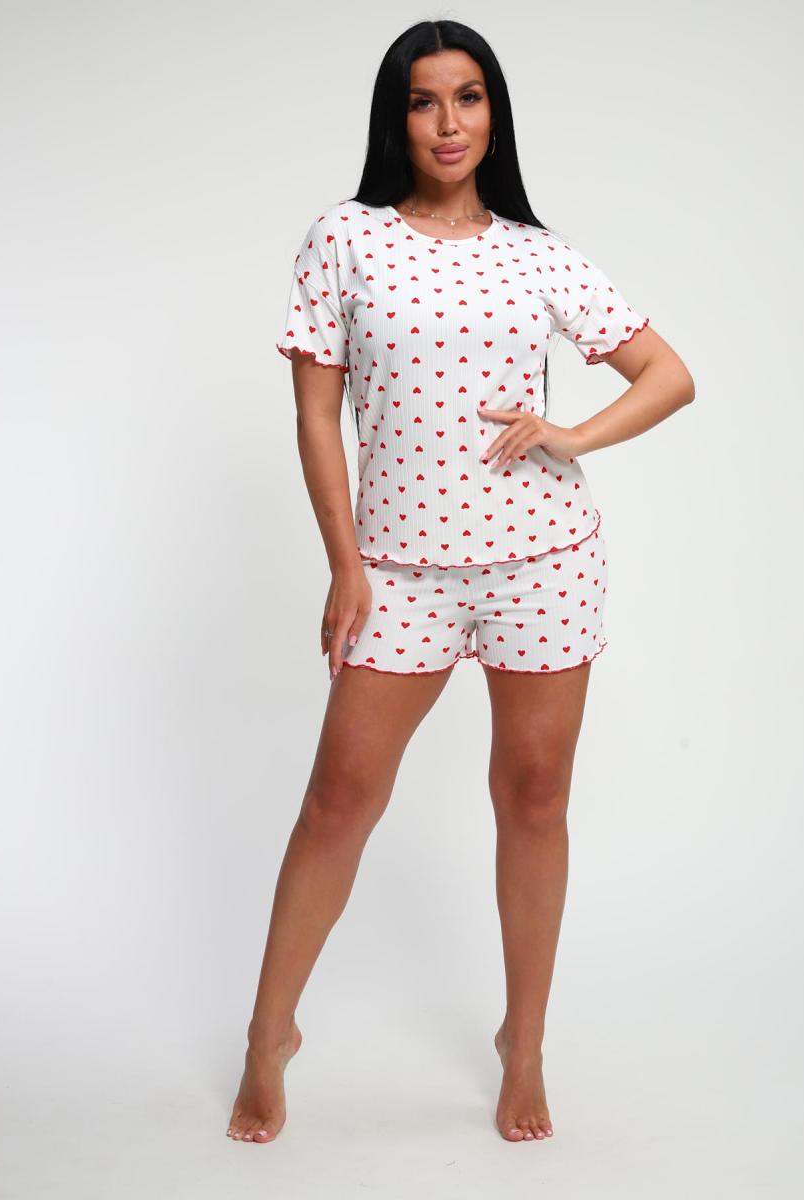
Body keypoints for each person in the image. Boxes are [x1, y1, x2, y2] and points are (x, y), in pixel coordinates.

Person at [227, 18, 694, 1146]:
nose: (448, 123)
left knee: (533, 799)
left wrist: (570, 435)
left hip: (543, 560)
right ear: (396, 118)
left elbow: (667, 375)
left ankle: (521, 1043)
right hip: (398, 569)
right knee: (339, 801)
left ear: (494, 113)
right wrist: (345, 565)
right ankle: (267, 1036)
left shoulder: (537, 252)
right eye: (424, 100)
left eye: (469, 97)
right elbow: (316, 417)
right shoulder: (345, 238)